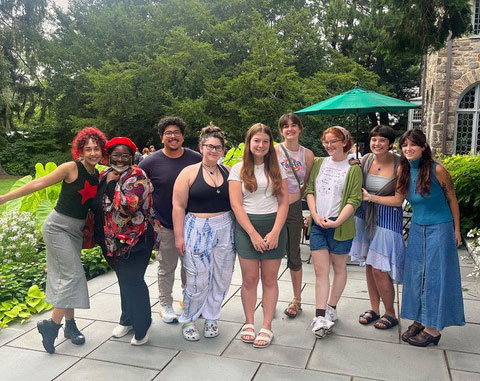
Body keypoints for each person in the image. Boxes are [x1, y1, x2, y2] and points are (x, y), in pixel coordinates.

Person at [0, 127, 107, 354]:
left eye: (96, 148)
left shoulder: (97, 174)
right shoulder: (71, 168)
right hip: (57, 228)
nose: (92, 153)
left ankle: (70, 326)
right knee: (73, 275)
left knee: (65, 276)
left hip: (76, 232)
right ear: (79, 150)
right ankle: (51, 325)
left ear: (101, 150)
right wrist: (4, 198)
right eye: (87, 149)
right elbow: (39, 183)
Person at [362, 129, 464, 347]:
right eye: (405, 145)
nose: (408, 149)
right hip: (418, 227)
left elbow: (452, 200)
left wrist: (456, 230)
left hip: (440, 227)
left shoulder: (438, 170)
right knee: (416, 276)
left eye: (413, 145)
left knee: (435, 277)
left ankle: (433, 329)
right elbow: (398, 198)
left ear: (423, 147)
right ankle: (421, 319)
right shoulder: (405, 169)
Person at [93, 137, 160, 346]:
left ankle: (142, 327)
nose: (120, 159)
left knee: (133, 280)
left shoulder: (137, 175)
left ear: (132, 157)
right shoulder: (103, 173)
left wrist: (113, 184)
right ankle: (127, 319)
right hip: (110, 239)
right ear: (108, 156)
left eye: (125, 155)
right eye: (115, 155)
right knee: (123, 279)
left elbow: (127, 206)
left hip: (136, 238)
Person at [172, 124, 235, 341]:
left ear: (223, 150)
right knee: (197, 278)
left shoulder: (228, 172)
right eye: (210, 146)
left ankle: (211, 316)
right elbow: (178, 205)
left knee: (222, 276)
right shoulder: (188, 173)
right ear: (201, 147)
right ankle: (189, 318)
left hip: (225, 227)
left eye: (218, 147)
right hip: (196, 228)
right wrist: (179, 236)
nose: (214, 151)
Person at [228, 123, 288, 348]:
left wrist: (275, 232)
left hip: (273, 224)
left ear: (270, 143)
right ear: (248, 142)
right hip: (246, 227)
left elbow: (283, 202)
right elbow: (236, 204)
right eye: (256, 141)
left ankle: (267, 326)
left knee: (270, 279)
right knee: (250, 279)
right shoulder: (238, 168)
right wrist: (252, 234)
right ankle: (249, 322)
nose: (261, 145)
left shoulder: (278, 167)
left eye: (265, 141)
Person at [139, 116, 202, 323]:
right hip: (164, 224)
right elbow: (140, 189)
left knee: (190, 266)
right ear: (162, 137)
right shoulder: (149, 162)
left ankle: (188, 299)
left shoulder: (195, 159)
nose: (173, 136)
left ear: (183, 137)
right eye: (168, 133)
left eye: (177, 133)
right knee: (166, 267)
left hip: (191, 223)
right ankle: (165, 303)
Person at [305, 126, 362, 338]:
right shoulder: (320, 163)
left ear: (344, 142)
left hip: (340, 226)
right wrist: (315, 215)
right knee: (320, 270)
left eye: (333, 142)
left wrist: (337, 221)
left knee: (339, 267)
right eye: (326, 142)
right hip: (319, 224)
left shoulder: (353, 167)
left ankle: (331, 307)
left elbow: (354, 199)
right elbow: (309, 190)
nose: (329, 146)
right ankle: (319, 315)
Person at [349, 125, 405, 329]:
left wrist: (372, 197)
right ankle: (374, 309)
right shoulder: (365, 160)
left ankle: (390, 313)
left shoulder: (400, 164)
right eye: (374, 139)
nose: (377, 143)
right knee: (370, 265)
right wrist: (352, 167)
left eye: (382, 140)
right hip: (365, 217)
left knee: (381, 268)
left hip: (388, 219)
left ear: (391, 144)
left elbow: (399, 200)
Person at [275, 113, 314, 318]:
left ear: (300, 128)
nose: (289, 129)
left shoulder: (307, 155)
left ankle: (297, 299)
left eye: (293, 125)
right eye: (285, 126)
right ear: (281, 131)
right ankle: (269, 296)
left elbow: (305, 184)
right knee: (270, 254)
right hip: (273, 207)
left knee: (294, 254)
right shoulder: (273, 151)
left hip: (293, 209)